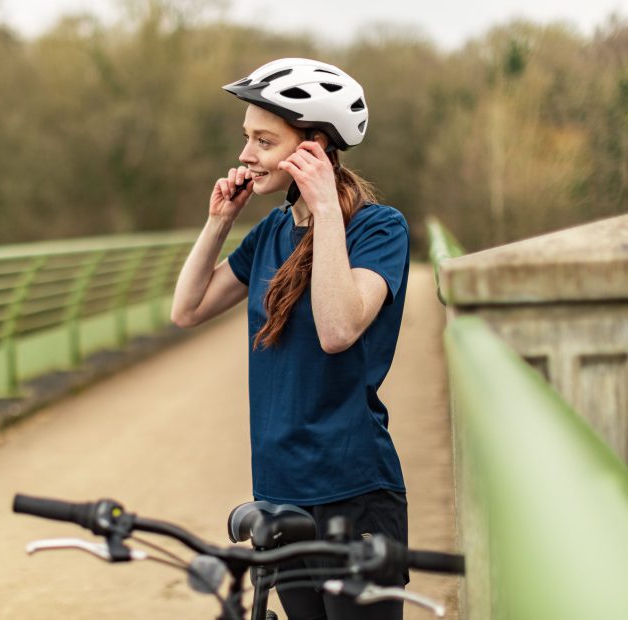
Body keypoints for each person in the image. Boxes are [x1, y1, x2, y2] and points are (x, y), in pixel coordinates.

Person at [170, 57, 410, 620]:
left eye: (264, 140)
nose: (246, 155)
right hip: (280, 493)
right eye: (247, 139)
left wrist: (325, 208)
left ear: (315, 149)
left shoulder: (379, 229)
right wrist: (219, 222)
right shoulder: (272, 232)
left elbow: (337, 329)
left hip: (354, 492)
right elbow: (187, 309)